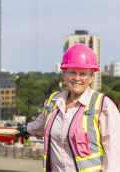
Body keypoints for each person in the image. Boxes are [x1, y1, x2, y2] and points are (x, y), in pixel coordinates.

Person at [15, 43, 120, 172]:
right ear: (64, 75)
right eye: (72, 72)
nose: (77, 78)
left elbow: (113, 152)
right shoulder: (53, 101)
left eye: (83, 73)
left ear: (92, 77)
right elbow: (44, 122)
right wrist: (26, 128)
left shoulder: (104, 105)